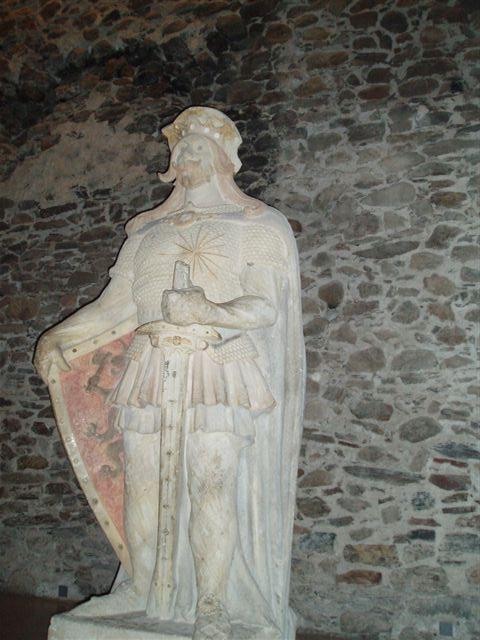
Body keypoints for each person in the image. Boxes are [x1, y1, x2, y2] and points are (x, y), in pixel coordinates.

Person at [35, 107, 305, 640]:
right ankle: (139, 588)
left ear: (225, 157)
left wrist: (209, 309)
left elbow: (266, 307)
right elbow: (117, 305)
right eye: (181, 146)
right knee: (140, 483)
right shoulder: (147, 232)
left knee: (211, 482)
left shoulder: (257, 225)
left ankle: (212, 603)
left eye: (200, 144)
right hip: (151, 368)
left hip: (217, 368)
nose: (187, 153)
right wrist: (59, 336)